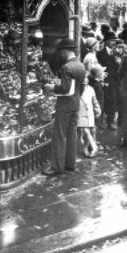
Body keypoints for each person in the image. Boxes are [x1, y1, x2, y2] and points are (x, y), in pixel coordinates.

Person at [42, 38, 86, 176]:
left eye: (61, 51)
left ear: (66, 51)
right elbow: (81, 86)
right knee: (72, 135)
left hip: (64, 106)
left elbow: (65, 89)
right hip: (75, 104)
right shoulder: (80, 65)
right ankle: (70, 165)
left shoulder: (66, 67)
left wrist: (51, 87)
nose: (60, 54)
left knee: (59, 136)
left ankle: (57, 167)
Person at [96, 30, 120, 129]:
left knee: (113, 101)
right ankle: (101, 121)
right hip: (104, 80)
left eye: (114, 40)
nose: (113, 42)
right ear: (106, 41)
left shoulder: (117, 52)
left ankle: (111, 122)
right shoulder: (100, 53)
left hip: (114, 81)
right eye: (111, 40)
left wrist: (118, 62)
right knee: (103, 100)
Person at [77, 73, 102, 157]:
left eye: (86, 78)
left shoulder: (91, 89)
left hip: (89, 112)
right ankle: (93, 148)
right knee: (84, 131)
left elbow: (94, 100)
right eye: (83, 78)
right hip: (80, 112)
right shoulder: (77, 89)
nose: (85, 80)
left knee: (86, 131)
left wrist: (97, 109)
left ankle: (86, 149)